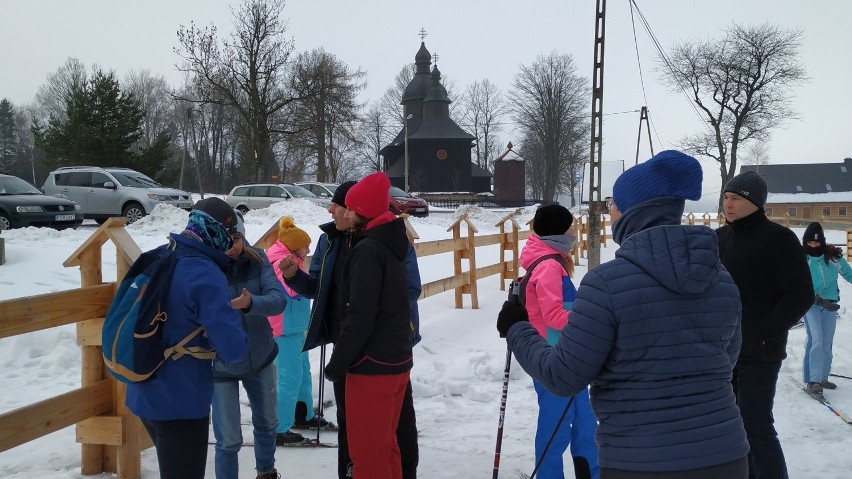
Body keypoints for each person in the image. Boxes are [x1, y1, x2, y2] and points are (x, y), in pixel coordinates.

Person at [498, 150, 750, 478]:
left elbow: (563, 375)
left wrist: (518, 328)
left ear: (634, 211)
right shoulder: (721, 278)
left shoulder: (605, 284)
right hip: (724, 455)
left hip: (639, 461)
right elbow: (727, 360)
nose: (609, 212)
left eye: (612, 204)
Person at [279, 180, 422, 479]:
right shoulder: (330, 241)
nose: (330, 210)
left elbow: (406, 290)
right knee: (356, 433)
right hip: (349, 349)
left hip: (377, 351)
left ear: (353, 210)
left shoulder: (380, 244)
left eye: (336, 204)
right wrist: (294, 277)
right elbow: (318, 286)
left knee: (396, 431)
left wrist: (372, 314)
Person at [125, 197, 249, 479]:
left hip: (143, 387)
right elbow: (233, 348)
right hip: (180, 398)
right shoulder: (203, 271)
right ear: (220, 232)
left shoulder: (160, 254)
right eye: (230, 236)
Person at [717, 170, 814, 479]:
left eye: (736, 198)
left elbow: (800, 294)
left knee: (756, 425)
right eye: (726, 198)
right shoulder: (719, 237)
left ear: (755, 202)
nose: (729, 204)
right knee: (731, 426)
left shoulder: (779, 239)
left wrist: (765, 332)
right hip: (722, 352)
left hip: (760, 352)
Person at [520, 204, 598, 479]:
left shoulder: (552, 260)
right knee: (557, 422)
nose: (574, 233)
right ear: (558, 231)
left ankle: (591, 472)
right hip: (552, 358)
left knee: (585, 419)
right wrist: (591, 319)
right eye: (570, 228)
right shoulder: (549, 266)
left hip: (568, 353)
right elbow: (554, 315)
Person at [211, 210, 286, 479]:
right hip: (220, 363)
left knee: (267, 423)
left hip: (260, 355)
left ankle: (266, 472)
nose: (231, 247)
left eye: (236, 239)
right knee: (228, 439)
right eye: (224, 240)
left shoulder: (258, 258)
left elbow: (278, 300)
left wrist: (250, 303)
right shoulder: (205, 266)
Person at [266, 215, 322, 446]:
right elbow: (290, 289)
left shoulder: (290, 258)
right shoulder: (281, 261)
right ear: (293, 246)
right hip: (283, 327)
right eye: (305, 245)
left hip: (295, 326)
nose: (308, 249)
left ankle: (303, 415)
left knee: (303, 372)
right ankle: (278, 429)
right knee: (290, 376)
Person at [801, 221, 852, 396]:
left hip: (830, 305)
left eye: (817, 243)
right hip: (811, 305)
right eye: (810, 243)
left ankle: (822, 377)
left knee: (826, 342)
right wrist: (817, 299)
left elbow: (849, 274)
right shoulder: (801, 260)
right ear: (805, 242)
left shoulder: (832, 258)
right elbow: (796, 284)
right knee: (816, 339)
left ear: (822, 242)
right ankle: (812, 380)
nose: (814, 246)